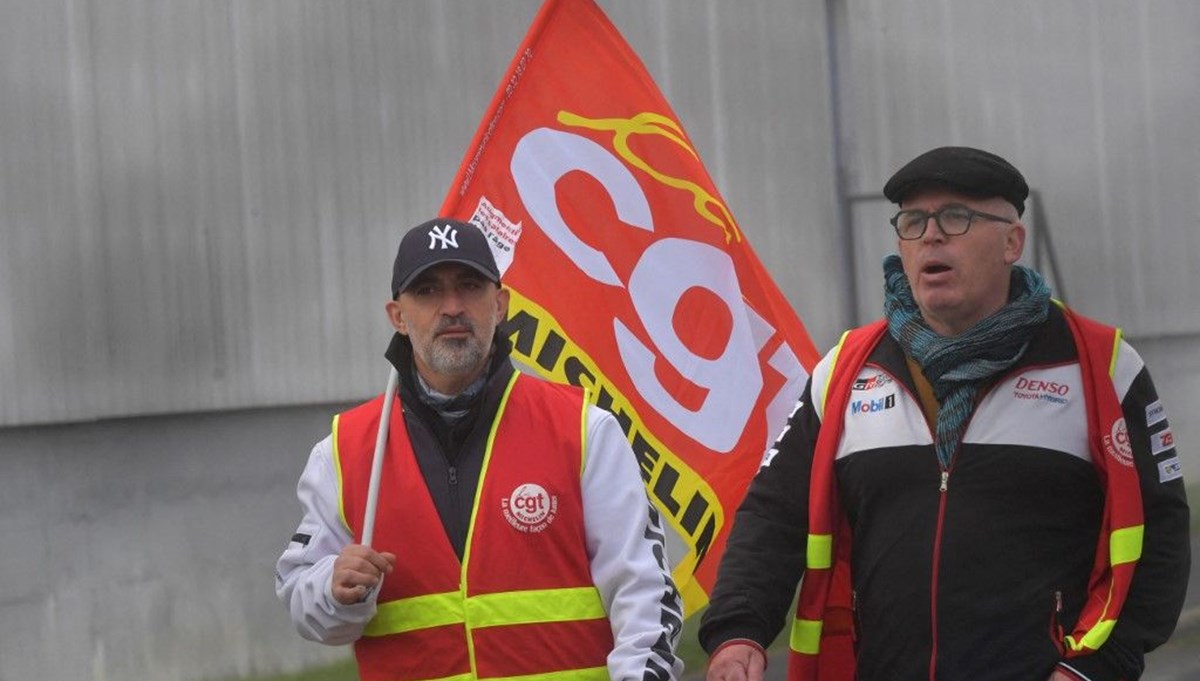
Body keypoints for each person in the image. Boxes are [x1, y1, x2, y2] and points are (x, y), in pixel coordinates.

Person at [699, 147, 1190, 681]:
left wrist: (1094, 668)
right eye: (913, 221)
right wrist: (737, 632)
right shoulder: (844, 371)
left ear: (1012, 242)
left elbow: (1157, 534)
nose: (931, 236)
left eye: (957, 217)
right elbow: (774, 514)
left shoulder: (1101, 367)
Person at [276, 218, 684, 681]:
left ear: (501, 304)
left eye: (469, 286)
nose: (452, 307)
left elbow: (646, 597)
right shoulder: (344, 451)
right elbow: (302, 601)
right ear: (398, 317)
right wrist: (332, 590)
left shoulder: (586, 429)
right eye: (427, 291)